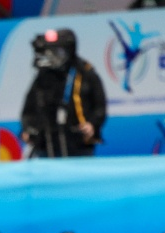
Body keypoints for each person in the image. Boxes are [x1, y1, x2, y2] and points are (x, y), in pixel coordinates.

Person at [20, 28, 107, 158]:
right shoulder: (43, 76)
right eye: (50, 52)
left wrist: (92, 124)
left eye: (56, 52)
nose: (52, 57)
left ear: (68, 51)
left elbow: (100, 105)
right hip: (46, 143)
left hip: (78, 144)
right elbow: (29, 108)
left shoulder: (85, 73)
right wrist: (28, 128)